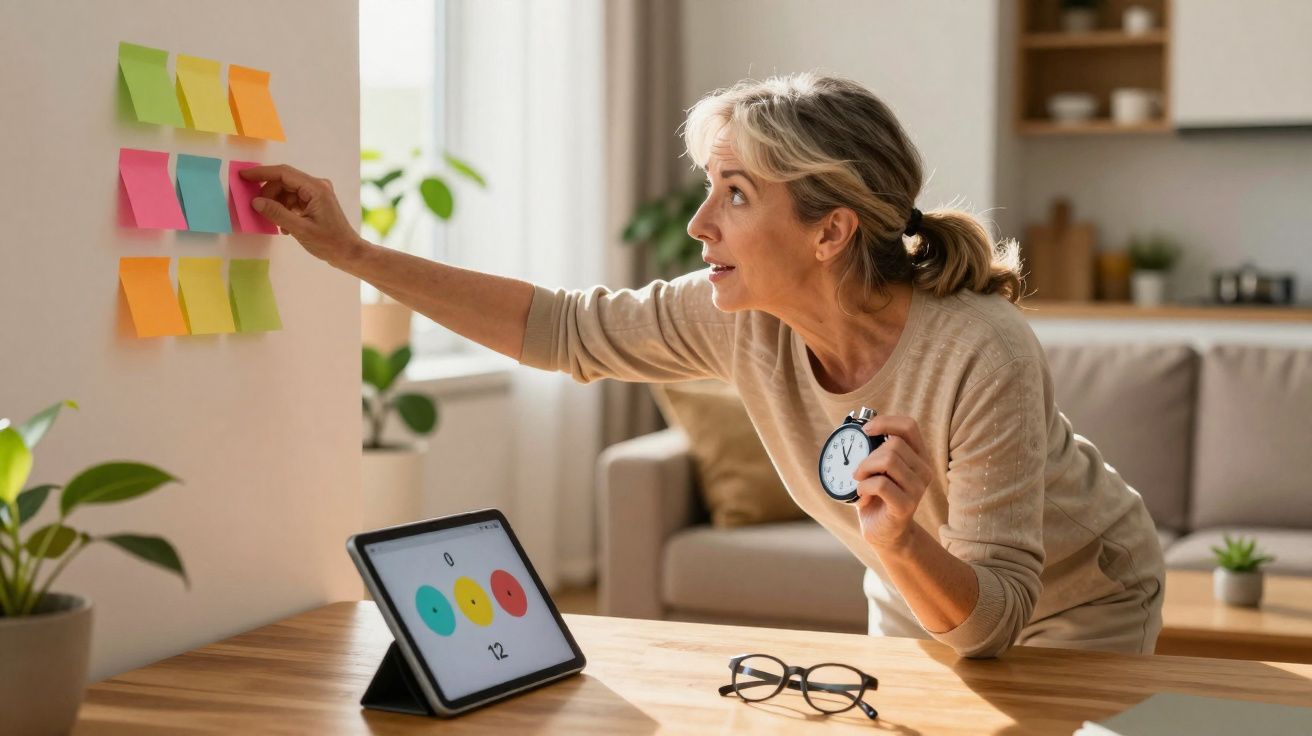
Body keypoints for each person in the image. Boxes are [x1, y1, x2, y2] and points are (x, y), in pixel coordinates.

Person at [240, 73, 1164, 658]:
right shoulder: (739, 318)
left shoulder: (980, 349)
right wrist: (353, 254)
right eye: (708, 189)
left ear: (830, 232)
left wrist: (898, 544)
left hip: (1076, 601)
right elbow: (562, 329)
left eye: (736, 195)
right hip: (915, 590)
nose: (698, 224)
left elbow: (997, 616)